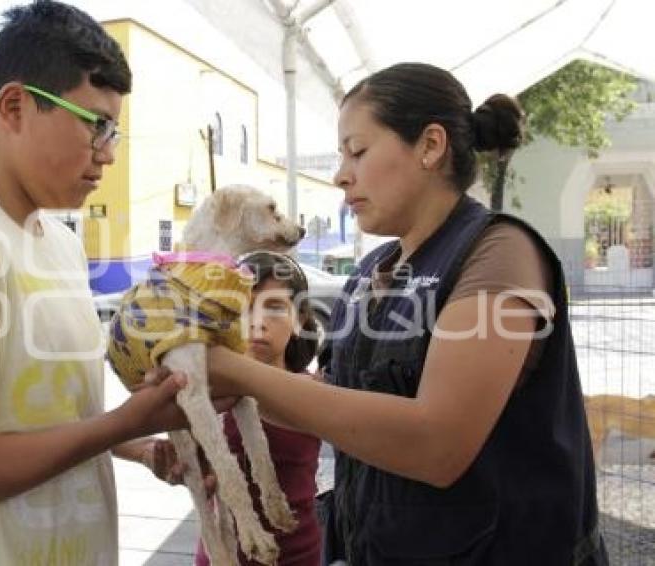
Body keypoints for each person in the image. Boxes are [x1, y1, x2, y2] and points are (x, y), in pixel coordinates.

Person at [0, 2, 223, 564]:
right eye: (94, 124)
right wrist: (120, 423)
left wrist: (138, 445)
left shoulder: (58, 241)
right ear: (13, 106)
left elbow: (52, 416)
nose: (106, 154)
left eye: (116, 132)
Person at [205, 63, 607, 565]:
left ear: (430, 146)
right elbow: (336, 401)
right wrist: (227, 394)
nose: (340, 174)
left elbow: (435, 443)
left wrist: (238, 373)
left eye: (358, 151)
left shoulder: (499, 254)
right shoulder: (374, 269)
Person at [194, 251, 322, 565]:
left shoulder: (317, 392)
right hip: (219, 556)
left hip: (297, 553)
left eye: (276, 307)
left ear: (300, 319)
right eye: (243, 307)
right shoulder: (206, 388)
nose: (257, 323)